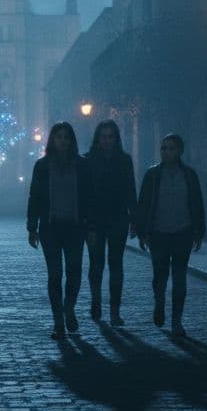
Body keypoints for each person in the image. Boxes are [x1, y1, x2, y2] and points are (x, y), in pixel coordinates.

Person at [27, 121, 95, 339]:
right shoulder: (43, 166)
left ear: (71, 140)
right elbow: (35, 197)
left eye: (66, 137)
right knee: (55, 275)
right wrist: (32, 227)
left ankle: (69, 308)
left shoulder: (82, 166)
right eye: (58, 137)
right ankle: (58, 320)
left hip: (76, 227)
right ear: (52, 140)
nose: (62, 141)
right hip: (51, 227)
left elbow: (89, 198)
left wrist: (91, 226)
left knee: (74, 272)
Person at [135, 134, 206, 339]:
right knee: (160, 275)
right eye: (164, 148)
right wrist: (142, 232)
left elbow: (197, 203)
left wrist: (198, 232)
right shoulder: (153, 175)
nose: (167, 152)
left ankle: (177, 321)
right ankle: (159, 302)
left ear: (180, 151)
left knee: (180, 278)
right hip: (159, 233)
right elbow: (144, 203)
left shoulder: (189, 175)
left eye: (171, 148)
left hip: (182, 232)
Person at [84, 120, 137, 327]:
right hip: (95, 220)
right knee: (96, 264)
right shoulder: (88, 161)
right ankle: (96, 301)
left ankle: (115, 311)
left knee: (116, 265)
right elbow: (85, 194)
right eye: (104, 136)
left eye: (111, 136)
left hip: (118, 218)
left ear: (116, 139)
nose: (107, 140)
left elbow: (130, 190)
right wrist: (87, 223)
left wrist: (134, 218)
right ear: (98, 139)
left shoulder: (124, 161)